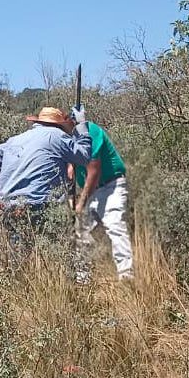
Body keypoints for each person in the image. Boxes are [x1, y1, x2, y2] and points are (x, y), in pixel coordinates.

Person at [0, 106, 92, 247]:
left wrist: (3, 182)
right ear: (60, 126)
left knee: (16, 255)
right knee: (50, 249)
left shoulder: (15, 139)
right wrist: (82, 125)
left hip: (5, 205)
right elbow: (84, 156)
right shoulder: (57, 136)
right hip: (39, 205)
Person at [70, 120, 133, 281]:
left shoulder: (92, 131)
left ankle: (127, 277)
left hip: (111, 186)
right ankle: (83, 278)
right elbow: (70, 171)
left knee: (115, 226)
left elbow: (94, 170)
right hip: (90, 191)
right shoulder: (67, 139)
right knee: (81, 231)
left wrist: (80, 203)